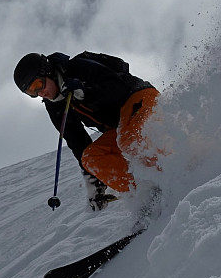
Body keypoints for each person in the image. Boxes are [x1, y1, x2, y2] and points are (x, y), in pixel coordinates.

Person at [13, 50, 161, 211]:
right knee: (91, 158)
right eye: (31, 92)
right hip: (120, 127)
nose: (40, 93)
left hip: (139, 98)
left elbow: (118, 85)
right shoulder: (55, 105)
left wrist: (86, 91)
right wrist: (95, 183)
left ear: (47, 72)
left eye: (37, 85)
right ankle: (146, 193)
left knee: (129, 140)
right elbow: (77, 141)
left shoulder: (77, 67)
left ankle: (166, 177)